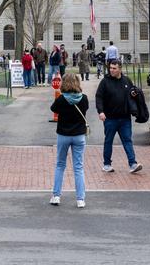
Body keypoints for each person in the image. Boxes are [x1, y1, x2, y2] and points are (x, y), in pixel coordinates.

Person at [50, 72, 89, 208]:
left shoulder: (61, 99)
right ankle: (80, 199)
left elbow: (53, 109)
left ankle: (56, 196)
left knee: (60, 165)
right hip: (79, 135)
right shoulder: (84, 98)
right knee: (78, 167)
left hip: (63, 134)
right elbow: (86, 109)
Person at [95, 60, 142, 174]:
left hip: (125, 118)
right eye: (110, 68)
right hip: (110, 118)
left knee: (127, 140)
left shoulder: (127, 81)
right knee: (108, 140)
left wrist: (134, 94)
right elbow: (99, 97)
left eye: (114, 68)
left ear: (120, 69)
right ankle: (107, 164)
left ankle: (133, 163)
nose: (111, 70)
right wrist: (101, 111)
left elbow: (132, 95)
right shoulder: (105, 82)